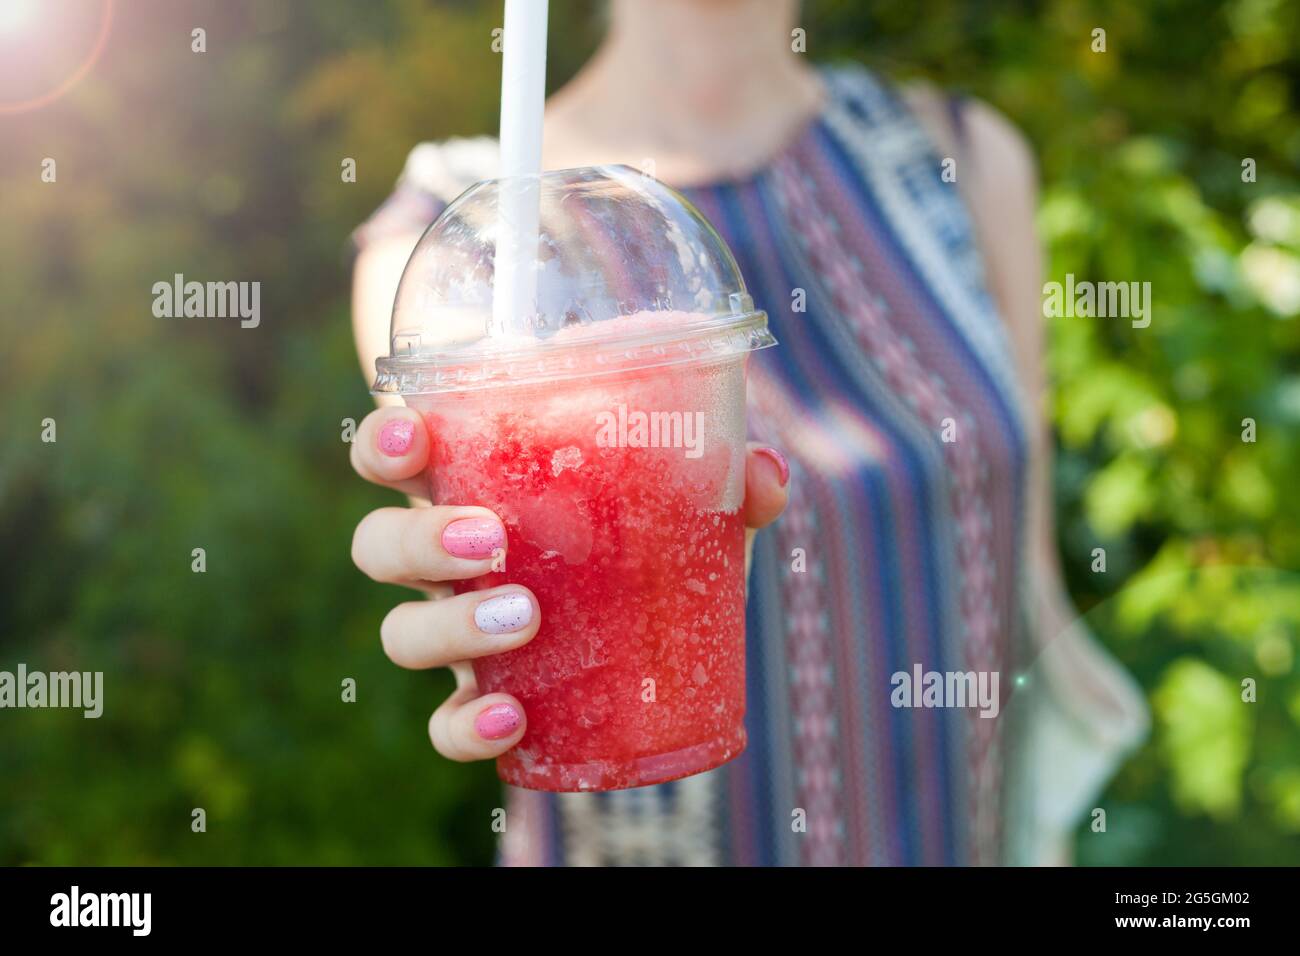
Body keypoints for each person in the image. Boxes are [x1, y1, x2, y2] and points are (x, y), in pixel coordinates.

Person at [348, 0, 1148, 865]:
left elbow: (1022, 591)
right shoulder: (459, 238)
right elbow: (470, 549)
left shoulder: (959, 161)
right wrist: (469, 592)